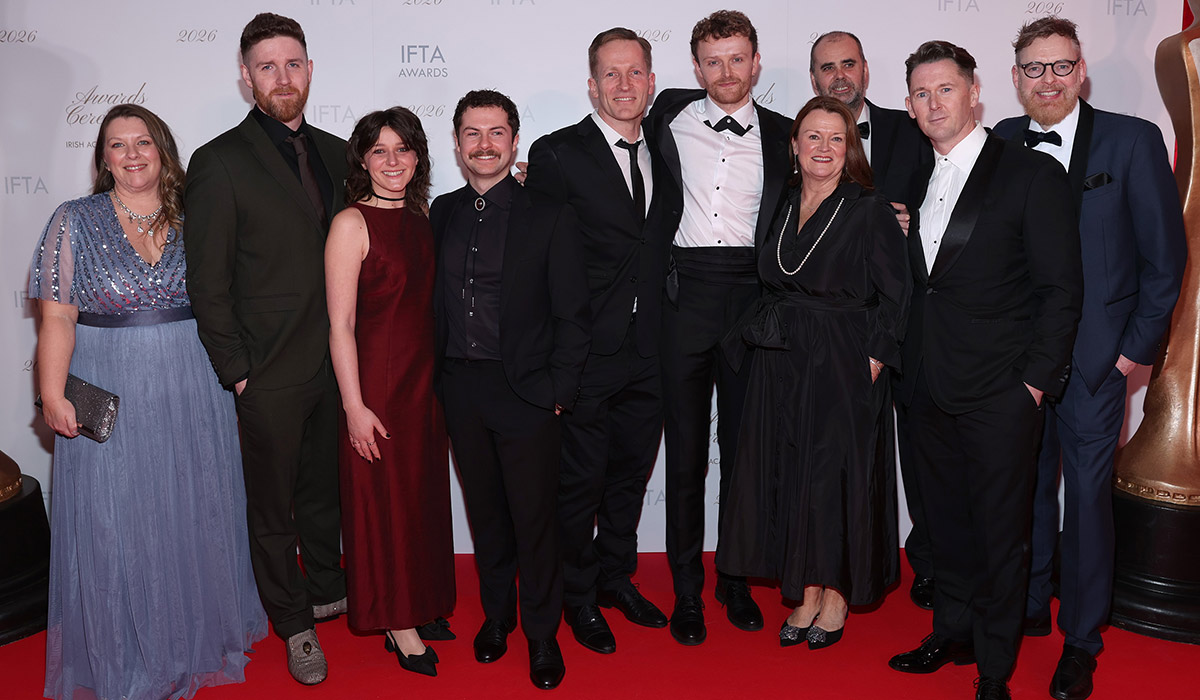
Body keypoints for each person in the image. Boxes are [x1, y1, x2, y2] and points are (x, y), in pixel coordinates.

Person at [30, 103, 266, 700]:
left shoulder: (196, 214)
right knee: (117, 520)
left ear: (163, 150)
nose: (132, 155)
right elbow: (58, 316)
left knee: (191, 505)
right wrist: (50, 391)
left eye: (143, 142)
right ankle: (127, 652)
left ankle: (193, 636)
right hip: (110, 384)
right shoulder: (74, 219)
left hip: (194, 384)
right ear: (103, 157)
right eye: (117, 145)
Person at [993, 17, 1186, 700]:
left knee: (1088, 504)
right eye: (1034, 68)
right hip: (1018, 362)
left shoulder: (1133, 141)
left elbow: (1167, 263)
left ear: (1081, 72)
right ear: (1015, 78)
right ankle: (1029, 604)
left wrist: (1133, 352)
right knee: (1026, 492)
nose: (1049, 80)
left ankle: (1081, 637)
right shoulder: (1002, 142)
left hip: (1097, 362)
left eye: (1061, 66)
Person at [888, 41, 1083, 700]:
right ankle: (952, 631)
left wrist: (1031, 384)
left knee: (1002, 538)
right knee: (944, 528)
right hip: (926, 387)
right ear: (910, 107)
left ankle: (994, 669)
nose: (933, 103)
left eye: (945, 89)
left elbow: (1062, 291)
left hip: (1000, 393)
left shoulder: (1031, 175)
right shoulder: (915, 175)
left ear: (975, 94)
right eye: (921, 93)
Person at [185, 12, 347, 685]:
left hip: (338, 367)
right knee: (273, 507)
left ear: (310, 70)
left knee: (324, 492)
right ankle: (293, 624)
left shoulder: (342, 151)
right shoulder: (218, 161)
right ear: (248, 77)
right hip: (269, 371)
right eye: (267, 66)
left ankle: (331, 587)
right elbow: (208, 281)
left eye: (292, 63)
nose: (282, 77)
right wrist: (239, 373)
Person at [717, 95, 910, 649]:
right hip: (781, 361)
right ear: (795, 145)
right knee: (791, 475)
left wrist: (874, 358)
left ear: (850, 148)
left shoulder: (868, 208)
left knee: (836, 479)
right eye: (813, 137)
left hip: (844, 360)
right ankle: (802, 591)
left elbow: (897, 296)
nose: (823, 148)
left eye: (836, 138)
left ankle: (837, 595)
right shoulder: (783, 200)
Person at [431, 90, 590, 691]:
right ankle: (497, 618)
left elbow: (575, 314)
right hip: (461, 388)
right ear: (457, 144)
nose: (484, 145)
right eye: (472, 134)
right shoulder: (441, 211)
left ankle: (542, 635)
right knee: (487, 516)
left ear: (514, 141)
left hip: (526, 392)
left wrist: (558, 391)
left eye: (496, 133)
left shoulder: (549, 213)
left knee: (535, 520)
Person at [644, 9, 792, 646]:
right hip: (683, 298)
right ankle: (686, 591)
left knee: (743, 452)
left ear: (756, 63)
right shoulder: (664, 120)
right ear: (696, 68)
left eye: (737, 59)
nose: (726, 72)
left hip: (752, 302)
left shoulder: (790, 135)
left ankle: (734, 578)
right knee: (683, 456)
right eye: (713, 61)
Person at [524, 27, 670, 655]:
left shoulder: (666, 148)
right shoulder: (556, 154)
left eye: (635, 73)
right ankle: (577, 599)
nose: (623, 85)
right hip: (585, 351)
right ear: (591, 85)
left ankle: (616, 579)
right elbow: (540, 261)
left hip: (653, 345)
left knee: (630, 478)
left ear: (652, 83)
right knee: (578, 482)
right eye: (610, 74)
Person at [325, 107, 456, 677]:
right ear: (362, 160)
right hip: (377, 383)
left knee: (420, 496)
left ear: (419, 156)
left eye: (402, 149)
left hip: (425, 384)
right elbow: (341, 325)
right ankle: (397, 623)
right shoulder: (351, 224)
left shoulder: (424, 215)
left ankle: (421, 602)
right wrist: (354, 405)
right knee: (386, 500)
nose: (392, 161)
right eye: (379, 151)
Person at [809, 30, 936, 609]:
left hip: (905, 320)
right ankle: (822, 575)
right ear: (814, 79)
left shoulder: (913, 128)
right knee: (828, 462)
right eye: (826, 67)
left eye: (848, 63)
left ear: (865, 69)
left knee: (917, 452)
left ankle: (929, 562)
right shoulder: (806, 142)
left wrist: (909, 229)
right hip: (827, 335)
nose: (839, 75)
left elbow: (950, 201)